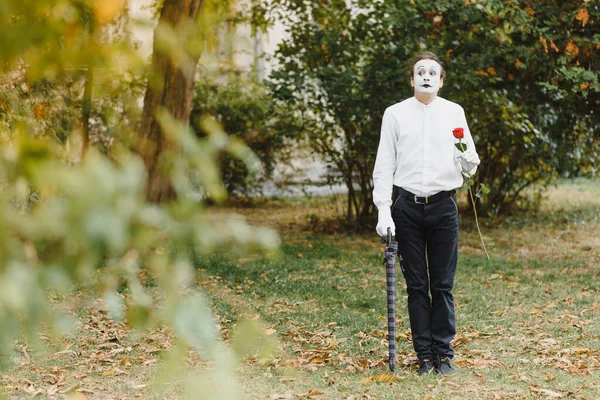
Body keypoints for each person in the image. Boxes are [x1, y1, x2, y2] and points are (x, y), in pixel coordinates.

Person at [372, 52, 480, 375]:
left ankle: (443, 354)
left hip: (444, 207)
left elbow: (470, 161)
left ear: (442, 80)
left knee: (443, 284)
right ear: (412, 79)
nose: (427, 76)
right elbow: (384, 166)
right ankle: (424, 356)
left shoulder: (454, 113)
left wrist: (467, 160)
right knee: (417, 285)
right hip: (406, 208)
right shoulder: (395, 115)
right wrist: (383, 210)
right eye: (421, 71)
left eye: (434, 72)